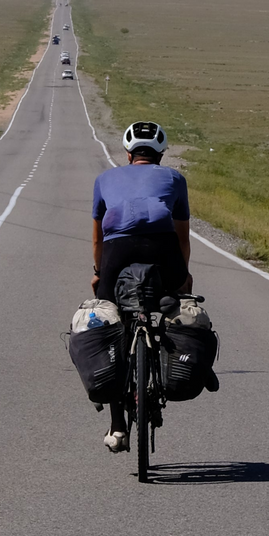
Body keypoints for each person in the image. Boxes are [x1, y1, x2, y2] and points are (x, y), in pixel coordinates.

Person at [89, 121, 191, 452]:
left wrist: (98, 273)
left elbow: (98, 238)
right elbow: (182, 237)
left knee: (111, 320)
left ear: (128, 153)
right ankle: (185, 357)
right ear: (161, 153)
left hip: (116, 251)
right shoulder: (175, 178)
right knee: (176, 302)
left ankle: (117, 426)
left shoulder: (104, 179)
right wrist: (183, 277)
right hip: (163, 248)